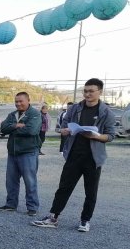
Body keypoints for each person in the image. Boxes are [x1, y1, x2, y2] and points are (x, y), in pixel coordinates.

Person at [31, 78, 116, 232]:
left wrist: (96, 136)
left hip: (93, 158)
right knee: (64, 187)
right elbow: (63, 127)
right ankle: (53, 217)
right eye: (85, 91)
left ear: (100, 92)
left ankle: (85, 220)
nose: (87, 94)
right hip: (74, 155)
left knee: (91, 192)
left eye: (91, 91)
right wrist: (64, 131)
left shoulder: (106, 112)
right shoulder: (75, 108)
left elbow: (110, 136)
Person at [0, 92, 41, 216]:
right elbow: (3, 128)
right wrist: (16, 125)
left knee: (30, 181)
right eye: (16, 101)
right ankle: (11, 204)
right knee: (11, 181)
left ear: (28, 100)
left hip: (28, 152)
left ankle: (32, 207)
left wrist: (11, 129)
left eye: (21, 101)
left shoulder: (35, 114)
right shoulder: (12, 115)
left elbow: (32, 130)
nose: (18, 103)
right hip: (13, 153)